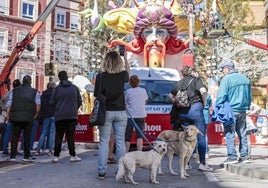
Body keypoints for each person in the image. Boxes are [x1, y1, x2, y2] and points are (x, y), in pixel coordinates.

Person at [169, 65, 213, 172]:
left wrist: (177, 102)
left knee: (186, 136)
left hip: (183, 112)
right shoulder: (196, 80)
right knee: (201, 135)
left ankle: (186, 164)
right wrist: (203, 102)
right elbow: (203, 91)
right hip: (196, 109)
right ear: (191, 72)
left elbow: (170, 95)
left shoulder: (179, 83)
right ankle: (202, 163)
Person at [94, 50, 129, 179]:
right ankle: (121, 170)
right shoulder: (123, 75)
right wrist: (125, 59)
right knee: (120, 141)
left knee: (104, 141)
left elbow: (96, 95)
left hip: (105, 112)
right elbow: (128, 73)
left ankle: (102, 171)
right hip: (120, 111)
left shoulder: (101, 76)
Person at [215, 59, 252, 164]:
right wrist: (247, 106)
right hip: (242, 110)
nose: (222, 72)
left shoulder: (226, 79)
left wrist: (217, 107)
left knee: (230, 133)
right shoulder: (245, 78)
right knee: (242, 132)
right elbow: (249, 96)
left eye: (222, 69)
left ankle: (232, 157)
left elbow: (221, 96)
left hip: (230, 110)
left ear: (227, 68)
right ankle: (245, 156)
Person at [50, 71, 82, 163]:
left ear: (59, 78)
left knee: (59, 136)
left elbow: (52, 102)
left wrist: (57, 109)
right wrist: (74, 108)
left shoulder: (56, 89)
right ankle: (72, 155)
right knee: (70, 136)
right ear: (67, 77)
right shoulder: (74, 88)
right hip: (72, 115)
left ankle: (56, 156)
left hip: (59, 115)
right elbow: (79, 101)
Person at [7, 75, 40, 161]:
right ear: (30, 82)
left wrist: (8, 114)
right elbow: (38, 104)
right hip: (28, 117)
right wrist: (35, 114)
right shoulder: (35, 91)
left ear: (22, 81)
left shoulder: (14, 91)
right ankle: (26, 156)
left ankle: (12, 156)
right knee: (27, 136)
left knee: (15, 136)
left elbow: (9, 103)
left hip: (16, 117)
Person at [125, 74, 148, 152]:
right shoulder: (143, 90)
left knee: (128, 136)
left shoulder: (128, 92)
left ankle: (126, 153)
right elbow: (145, 100)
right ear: (138, 82)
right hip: (141, 115)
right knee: (139, 135)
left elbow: (125, 103)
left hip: (130, 116)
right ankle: (139, 153)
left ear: (130, 83)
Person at [1, 79, 21, 156]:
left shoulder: (10, 92)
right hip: (17, 114)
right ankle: (14, 149)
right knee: (16, 133)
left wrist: (5, 109)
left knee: (8, 132)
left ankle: (5, 149)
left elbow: (3, 99)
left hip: (10, 114)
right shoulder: (19, 93)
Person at [35, 82, 56, 156]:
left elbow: (40, 106)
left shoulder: (43, 95)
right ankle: (50, 150)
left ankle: (38, 149)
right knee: (52, 132)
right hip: (54, 115)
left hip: (46, 115)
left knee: (44, 132)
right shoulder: (55, 95)